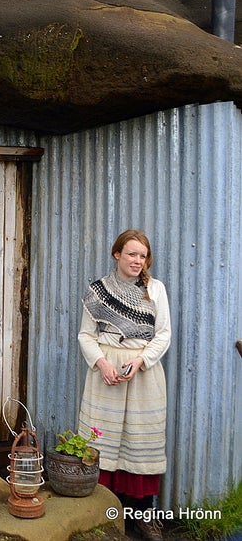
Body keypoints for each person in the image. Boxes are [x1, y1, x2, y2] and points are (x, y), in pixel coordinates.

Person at [77, 229, 171, 541]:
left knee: (141, 442)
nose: (137, 261)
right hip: (106, 374)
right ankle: (102, 515)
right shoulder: (98, 291)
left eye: (143, 256)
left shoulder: (155, 290)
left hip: (143, 373)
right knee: (102, 442)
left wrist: (142, 360)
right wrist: (102, 363)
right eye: (131, 254)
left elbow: (163, 335)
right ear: (117, 254)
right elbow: (86, 335)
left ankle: (143, 516)